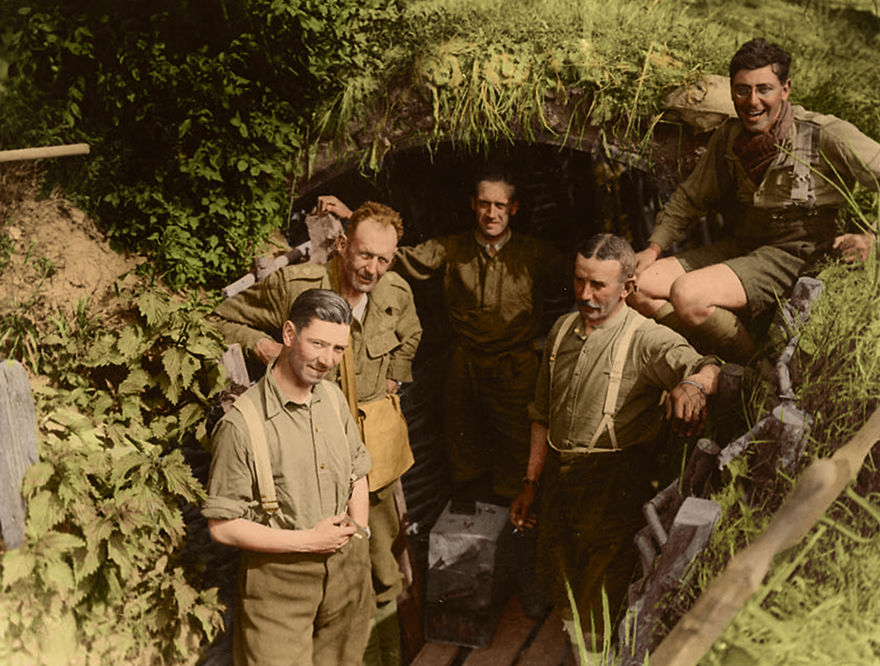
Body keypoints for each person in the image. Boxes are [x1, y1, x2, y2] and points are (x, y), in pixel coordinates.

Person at [212, 201, 422, 665]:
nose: (372, 268)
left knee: (382, 571)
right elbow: (221, 316)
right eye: (365, 255)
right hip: (298, 445)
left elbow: (411, 333)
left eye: (384, 259)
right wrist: (264, 345)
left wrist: (393, 377)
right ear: (343, 244)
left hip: (368, 453)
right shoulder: (296, 285)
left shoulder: (396, 292)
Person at [510, 234, 721, 651]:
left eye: (598, 286)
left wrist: (693, 387)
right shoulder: (562, 329)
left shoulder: (645, 339)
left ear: (627, 288)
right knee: (559, 575)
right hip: (559, 479)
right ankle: (580, 652)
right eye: (579, 281)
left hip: (611, 487)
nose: (584, 294)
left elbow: (708, 366)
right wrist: (532, 482)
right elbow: (541, 414)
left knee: (601, 592)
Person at [630, 37, 880, 363]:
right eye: (742, 90)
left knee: (687, 295)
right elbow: (691, 197)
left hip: (800, 253)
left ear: (785, 90)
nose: (752, 102)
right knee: (639, 286)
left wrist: (872, 238)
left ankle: (751, 371)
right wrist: (653, 247)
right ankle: (713, 358)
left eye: (764, 89)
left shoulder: (823, 134)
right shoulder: (730, 136)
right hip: (747, 244)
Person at [204, 289, 372, 666]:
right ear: (290, 335)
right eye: (318, 344)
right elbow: (222, 526)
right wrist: (307, 541)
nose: (327, 360)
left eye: (338, 349)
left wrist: (358, 530)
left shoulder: (333, 399)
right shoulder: (241, 425)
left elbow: (358, 471)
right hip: (279, 587)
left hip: (347, 573)